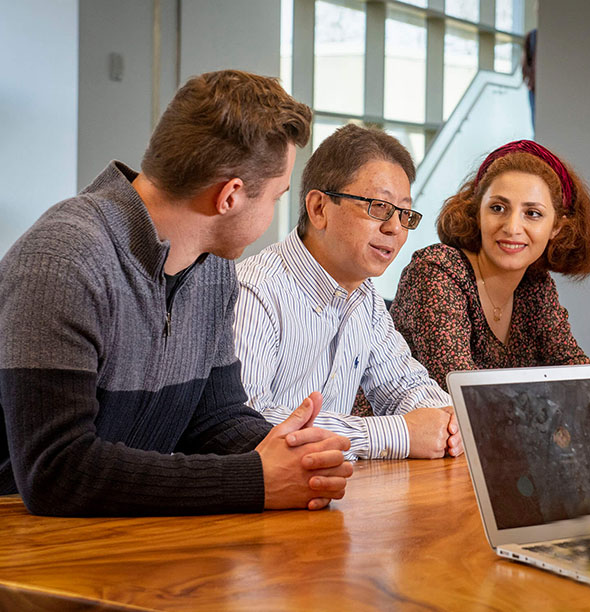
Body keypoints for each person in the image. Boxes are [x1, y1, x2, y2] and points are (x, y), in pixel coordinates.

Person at [0, 70, 354, 517]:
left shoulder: (212, 271)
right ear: (230, 197)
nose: (276, 214)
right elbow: (56, 471)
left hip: (119, 544)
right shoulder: (63, 259)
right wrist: (255, 479)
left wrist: (294, 455)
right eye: (278, 197)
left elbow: (214, 419)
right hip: (23, 554)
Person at [233, 124, 463, 461]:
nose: (395, 228)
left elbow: (405, 385)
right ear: (319, 209)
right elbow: (246, 422)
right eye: (379, 207)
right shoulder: (256, 290)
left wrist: (447, 420)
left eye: (403, 213)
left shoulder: (364, 297)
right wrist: (400, 433)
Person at [389, 139, 590, 392]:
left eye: (533, 213)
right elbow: (463, 397)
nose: (512, 227)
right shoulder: (437, 271)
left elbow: (572, 370)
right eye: (498, 208)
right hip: (388, 430)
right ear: (476, 213)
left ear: (556, 227)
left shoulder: (536, 285)